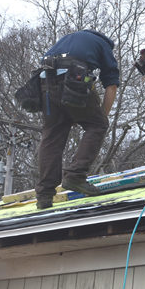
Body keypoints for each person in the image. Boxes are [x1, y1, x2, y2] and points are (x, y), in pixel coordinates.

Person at [36, 30, 119, 210]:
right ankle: (75, 176)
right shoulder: (104, 45)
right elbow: (111, 85)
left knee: (53, 134)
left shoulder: (69, 39)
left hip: (45, 82)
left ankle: (44, 195)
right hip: (74, 76)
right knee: (98, 125)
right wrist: (101, 116)